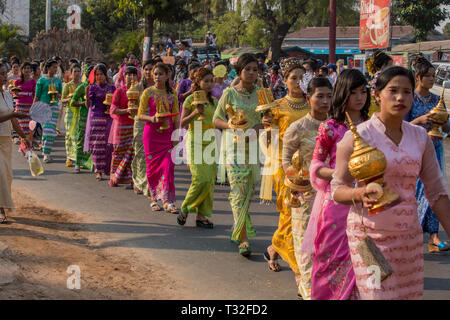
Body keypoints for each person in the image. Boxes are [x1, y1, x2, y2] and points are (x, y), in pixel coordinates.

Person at [332, 66, 450, 300]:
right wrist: (360, 194)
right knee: (376, 295)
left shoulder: (419, 138)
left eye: (406, 92)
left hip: (408, 237)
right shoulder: (357, 136)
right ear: (376, 95)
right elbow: (337, 189)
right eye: (393, 90)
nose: (400, 97)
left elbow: (436, 192)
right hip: (368, 237)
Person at [307, 69, 370, 300]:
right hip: (336, 204)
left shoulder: (374, 126)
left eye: (363, 91)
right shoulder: (330, 127)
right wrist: (340, 173)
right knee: (330, 258)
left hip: (367, 202)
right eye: (353, 92)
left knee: (367, 258)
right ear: (343, 93)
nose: (359, 97)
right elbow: (315, 165)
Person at [260, 58, 311, 289]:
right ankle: (298, 270)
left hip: (309, 167)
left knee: (301, 217)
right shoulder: (277, 106)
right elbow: (268, 139)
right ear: (285, 80)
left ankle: (274, 247)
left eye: (302, 77)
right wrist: (267, 126)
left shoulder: (313, 104)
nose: (298, 82)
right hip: (285, 166)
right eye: (294, 78)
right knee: (291, 213)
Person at [281, 77, 332, 299]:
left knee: (329, 244)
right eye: (320, 96)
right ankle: (309, 291)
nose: (325, 101)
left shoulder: (337, 126)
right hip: (306, 195)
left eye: (329, 96)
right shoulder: (297, 128)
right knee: (305, 243)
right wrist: (296, 184)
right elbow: (285, 161)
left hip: (334, 195)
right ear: (308, 97)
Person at [213, 53, 264, 256]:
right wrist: (230, 125)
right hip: (233, 148)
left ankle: (239, 226)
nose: (251, 73)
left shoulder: (262, 93)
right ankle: (243, 237)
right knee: (239, 191)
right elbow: (217, 119)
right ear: (239, 71)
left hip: (254, 147)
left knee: (249, 191)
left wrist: (260, 127)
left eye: (255, 69)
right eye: (247, 69)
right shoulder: (229, 93)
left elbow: (268, 118)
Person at [405, 56, 450, 253]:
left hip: (435, 149)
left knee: (434, 192)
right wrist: (421, 120)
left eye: (434, 76)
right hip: (414, 151)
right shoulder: (409, 99)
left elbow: (448, 126)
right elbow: (401, 126)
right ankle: (409, 233)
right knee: (414, 194)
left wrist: (442, 123)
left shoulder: (436, 100)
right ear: (418, 77)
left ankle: (433, 235)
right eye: (428, 76)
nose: (432, 80)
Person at [177, 67, 218, 228]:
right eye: (205, 81)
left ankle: (201, 216)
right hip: (195, 142)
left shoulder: (214, 100)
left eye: (211, 81)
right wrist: (195, 112)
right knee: (200, 179)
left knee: (209, 181)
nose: (209, 84)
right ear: (198, 82)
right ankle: (185, 207)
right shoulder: (190, 100)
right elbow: (182, 123)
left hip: (212, 143)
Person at [138, 62, 180, 214]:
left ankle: (168, 201)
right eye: (155, 74)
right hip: (151, 135)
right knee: (152, 168)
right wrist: (151, 119)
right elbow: (140, 114)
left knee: (168, 166)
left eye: (160, 74)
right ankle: (154, 199)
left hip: (168, 134)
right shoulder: (148, 92)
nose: (157, 77)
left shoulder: (172, 93)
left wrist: (177, 135)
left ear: (167, 75)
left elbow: (176, 116)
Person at [0, 62, 31, 224]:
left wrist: (23, 136)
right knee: (0, 174)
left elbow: (12, 120)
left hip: (5, 141)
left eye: (5, 73)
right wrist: (14, 114)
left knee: (8, 176)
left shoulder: (7, 95)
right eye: (1, 74)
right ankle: (1, 210)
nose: (4, 77)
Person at [85, 64, 116, 181]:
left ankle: (108, 168)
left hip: (108, 118)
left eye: (101, 74)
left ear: (105, 74)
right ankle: (98, 170)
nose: (99, 77)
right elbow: (88, 106)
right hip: (96, 118)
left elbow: (115, 103)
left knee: (108, 144)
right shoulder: (92, 88)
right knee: (97, 144)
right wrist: (87, 96)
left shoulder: (112, 88)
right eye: (97, 75)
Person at [108, 65, 138, 187]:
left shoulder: (140, 91)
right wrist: (127, 111)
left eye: (133, 74)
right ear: (123, 76)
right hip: (121, 126)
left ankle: (131, 179)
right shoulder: (119, 91)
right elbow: (113, 109)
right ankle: (114, 176)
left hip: (134, 126)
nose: (130, 77)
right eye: (128, 74)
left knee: (132, 153)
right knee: (118, 151)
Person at [132, 60, 155, 196]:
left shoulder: (161, 88)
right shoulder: (136, 87)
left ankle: (150, 183)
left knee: (152, 155)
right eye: (146, 69)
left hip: (156, 123)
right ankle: (138, 181)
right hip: (140, 123)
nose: (148, 72)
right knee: (140, 153)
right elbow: (132, 108)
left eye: (151, 69)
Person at [33, 59, 63, 163]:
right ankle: (46, 153)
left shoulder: (58, 81)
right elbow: (37, 96)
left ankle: (46, 152)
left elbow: (61, 95)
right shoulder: (41, 80)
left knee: (51, 131)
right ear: (48, 68)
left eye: (56, 67)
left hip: (54, 106)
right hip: (43, 107)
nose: (55, 69)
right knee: (47, 131)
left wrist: (56, 94)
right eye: (54, 67)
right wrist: (33, 108)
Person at [69, 64, 94, 173]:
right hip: (83, 117)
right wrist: (83, 103)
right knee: (81, 139)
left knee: (93, 141)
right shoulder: (82, 87)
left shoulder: (98, 87)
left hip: (95, 117)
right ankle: (78, 163)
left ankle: (89, 163)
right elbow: (72, 102)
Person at [61, 64, 82, 167]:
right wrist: (69, 100)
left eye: (79, 71)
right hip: (70, 112)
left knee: (79, 135)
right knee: (70, 134)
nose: (77, 74)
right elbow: (62, 99)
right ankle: (69, 157)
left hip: (80, 112)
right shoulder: (67, 85)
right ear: (71, 73)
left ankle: (79, 157)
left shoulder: (83, 85)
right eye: (75, 72)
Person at [14, 62, 36, 155]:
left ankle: (26, 146)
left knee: (29, 127)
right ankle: (24, 146)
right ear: (22, 70)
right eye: (25, 68)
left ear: (31, 70)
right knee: (22, 128)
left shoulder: (33, 81)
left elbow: (35, 94)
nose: (27, 70)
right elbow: (14, 93)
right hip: (20, 105)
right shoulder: (17, 81)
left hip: (29, 106)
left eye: (28, 68)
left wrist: (34, 105)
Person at [366, 50, 393, 116]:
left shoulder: (374, 77)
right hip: (379, 109)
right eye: (389, 66)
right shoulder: (381, 76)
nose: (391, 68)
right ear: (380, 67)